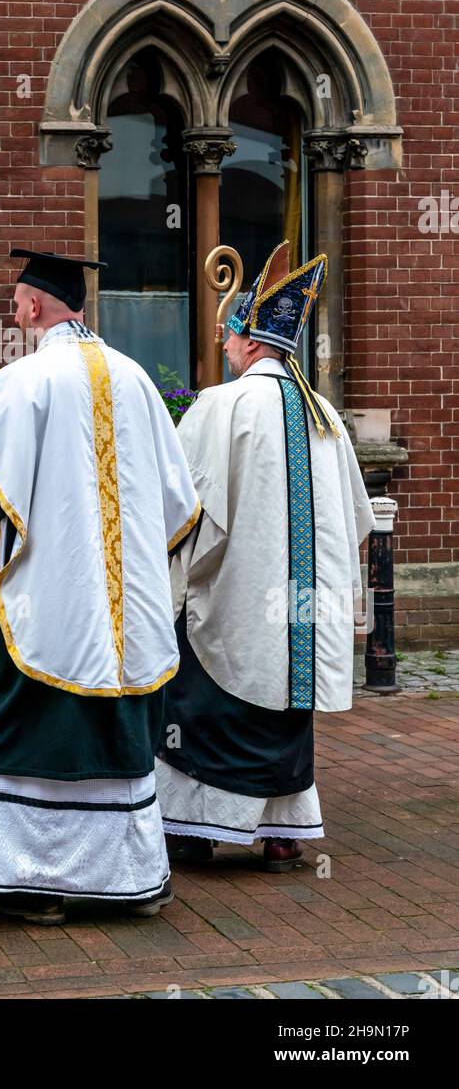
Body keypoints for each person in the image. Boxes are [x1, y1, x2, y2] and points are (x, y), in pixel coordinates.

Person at [0, 249, 200, 925]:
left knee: (38, 731)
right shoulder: (138, 379)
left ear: (30, 307)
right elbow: (179, 504)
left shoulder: (23, 380)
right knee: (121, 729)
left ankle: (36, 885)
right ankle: (135, 879)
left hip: (48, 605)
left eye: (15, 301)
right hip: (132, 612)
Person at [155, 242, 375, 872]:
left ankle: (194, 828)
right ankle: (283, 833)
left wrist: (178, 574)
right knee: (285, 702)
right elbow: (356, 518)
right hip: (303, 615)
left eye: (229, 335)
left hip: (235, 604)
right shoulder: (325, 416)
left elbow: (182, 510)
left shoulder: (221, 405)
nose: (224, 345)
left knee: (205, 701)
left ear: (253, 341)